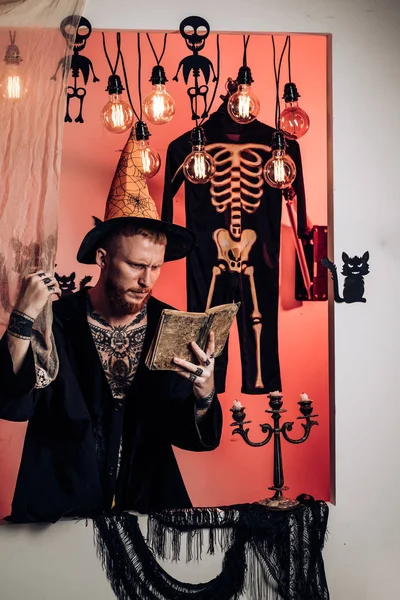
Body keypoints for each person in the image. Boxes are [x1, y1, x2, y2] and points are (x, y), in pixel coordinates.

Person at [0, 216, 223, 523]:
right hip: (60, 511)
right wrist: (23, 317)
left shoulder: (170, 325)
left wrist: (205, 394)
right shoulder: (56, 321)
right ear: (102, 258)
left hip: (148, 509)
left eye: (155, 267)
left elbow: (185, 432)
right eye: (135, 265)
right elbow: (13, 403)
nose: (147, 280)